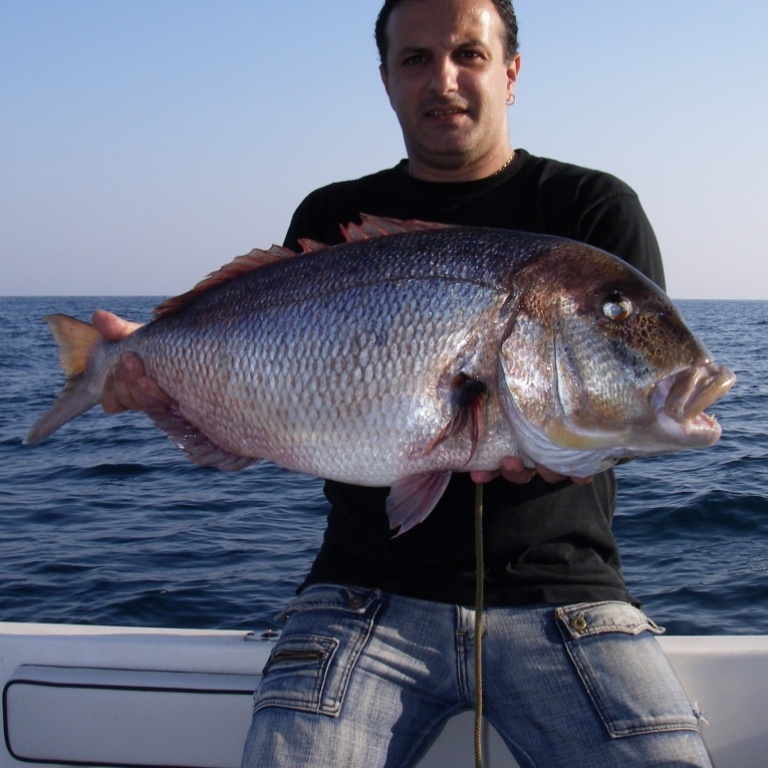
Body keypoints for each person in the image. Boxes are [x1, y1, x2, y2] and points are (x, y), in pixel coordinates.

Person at [96, 1, 712, 765]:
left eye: (468, 54)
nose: (443, 79)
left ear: (511, 72)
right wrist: (162, 387)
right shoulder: (331, 215)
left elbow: (619, 391)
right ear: (386, 80)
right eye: (416, 59)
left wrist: (554, 429)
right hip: (360, 592)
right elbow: (272, 417)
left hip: (567, 595)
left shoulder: (590, 210)